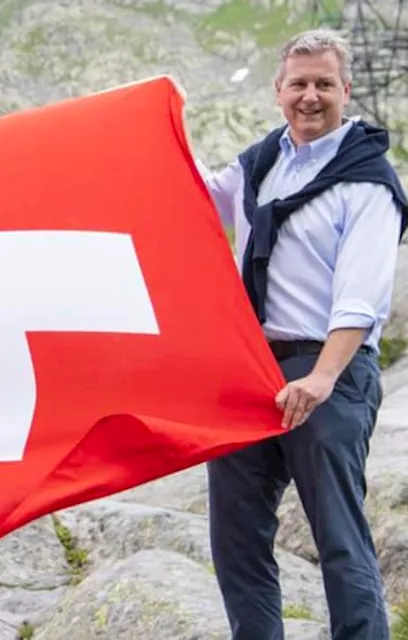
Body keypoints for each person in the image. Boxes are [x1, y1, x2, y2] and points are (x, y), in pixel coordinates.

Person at [196, 28, 408, 640]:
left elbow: (360, 297)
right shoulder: (260, 163)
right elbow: (198, 201)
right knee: (236, 542)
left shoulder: (367, 181)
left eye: (323, 84)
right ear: (278, 91)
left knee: (339, 542)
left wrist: (321, 378)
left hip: (328, 374)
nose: (310, 97)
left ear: (346, 90)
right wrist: (152, 127)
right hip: (249, 373)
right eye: (298, 84)